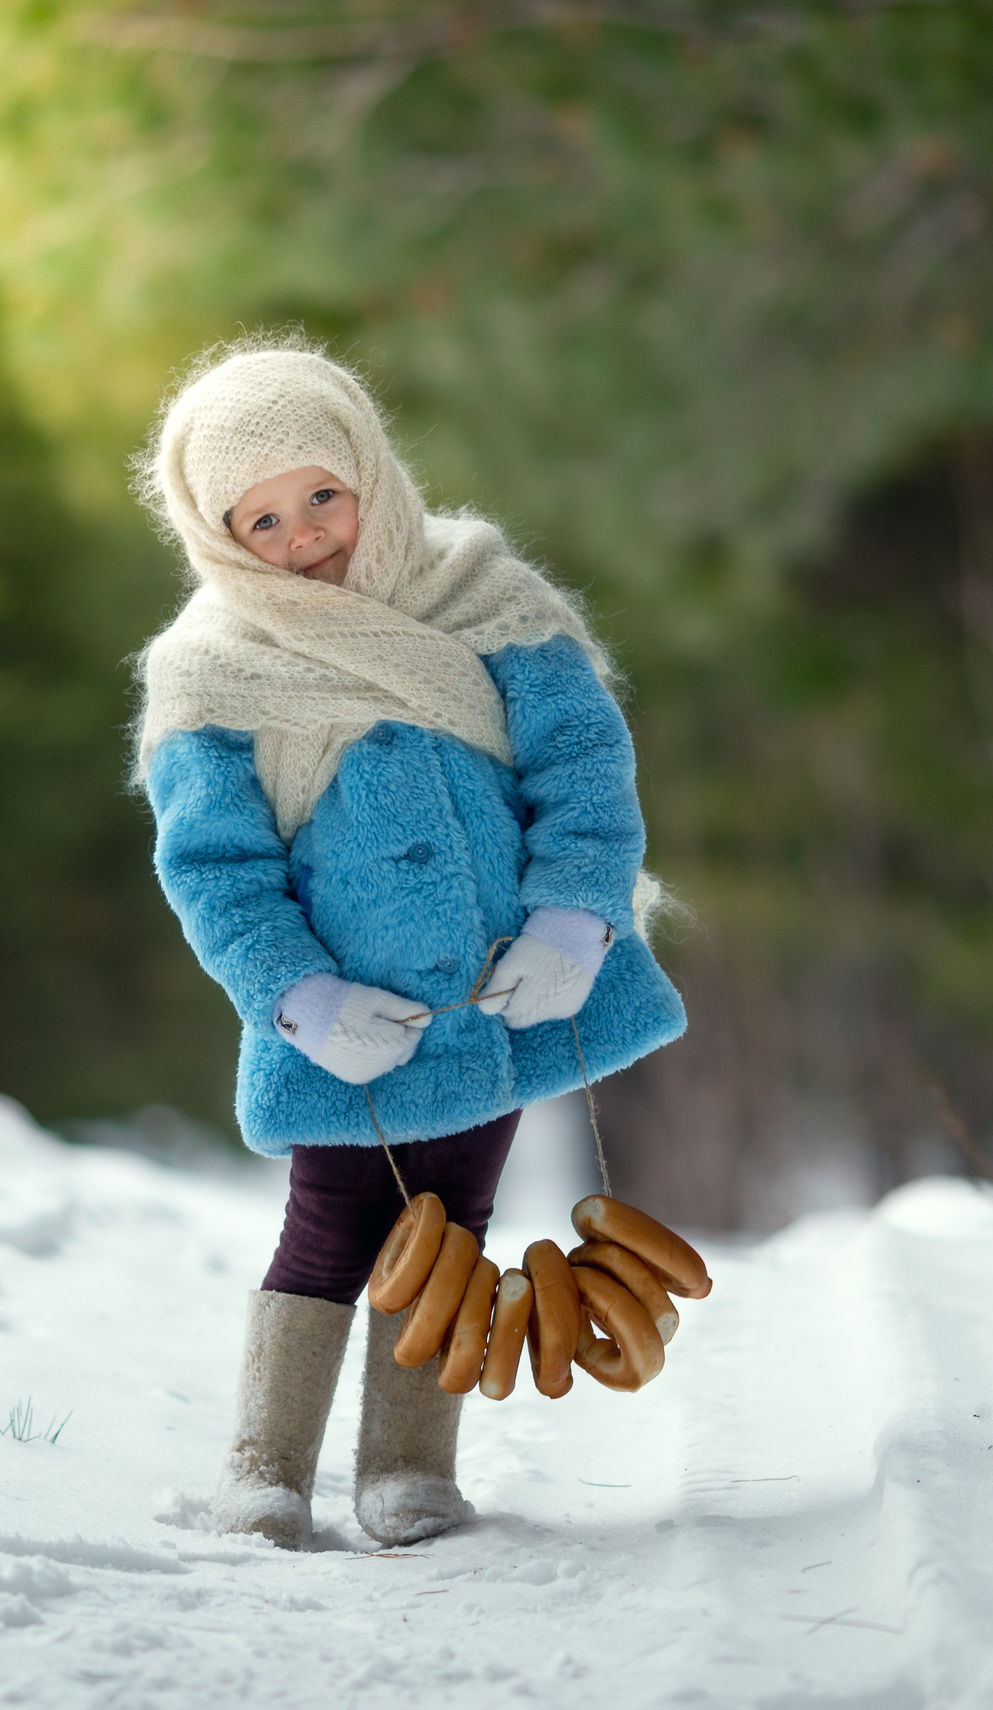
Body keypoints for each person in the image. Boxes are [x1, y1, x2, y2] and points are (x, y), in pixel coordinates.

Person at [132, 342, 686, 1549]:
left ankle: (407, 1466)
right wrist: (294, 995)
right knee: (329, 1224)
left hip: (492, 996)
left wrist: (571, 915)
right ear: (220, 535)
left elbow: (582, 765)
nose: (303, 536)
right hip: (342, 1017)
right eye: (261, 519)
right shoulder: (209, 675)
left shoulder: (487, 599)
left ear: (371, 475)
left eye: (322, 495)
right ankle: (265, 1461)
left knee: (451, 1216)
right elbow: (214, 865)